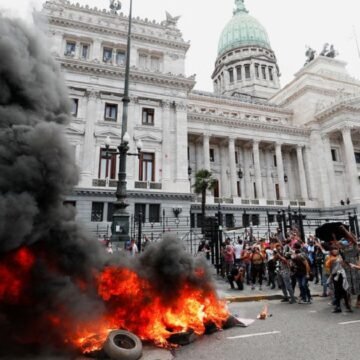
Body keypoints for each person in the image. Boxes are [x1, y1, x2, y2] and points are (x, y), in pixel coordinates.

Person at [326, 246, 352, 313]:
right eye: (334, 249)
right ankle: (339, 307)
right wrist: (334, 260)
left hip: (341, 275)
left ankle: (346, 306)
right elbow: (327, 265)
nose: (335, 250)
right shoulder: (329, 257)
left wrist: (341, 261)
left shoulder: (340, 256)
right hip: (334, 275)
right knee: (337, 291)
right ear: (331, 251)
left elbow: (344, 265)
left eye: (336, 249)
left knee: (343, 291)